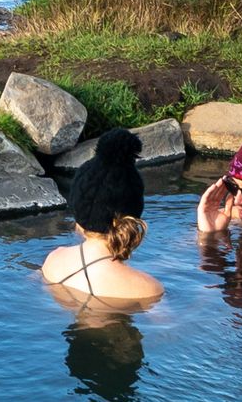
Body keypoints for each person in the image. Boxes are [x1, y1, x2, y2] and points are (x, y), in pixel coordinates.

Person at [42, 132, 164, 309]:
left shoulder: (53, 261)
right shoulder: (147, 289)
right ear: (134, 214)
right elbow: (172, 332)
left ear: (77, 209)